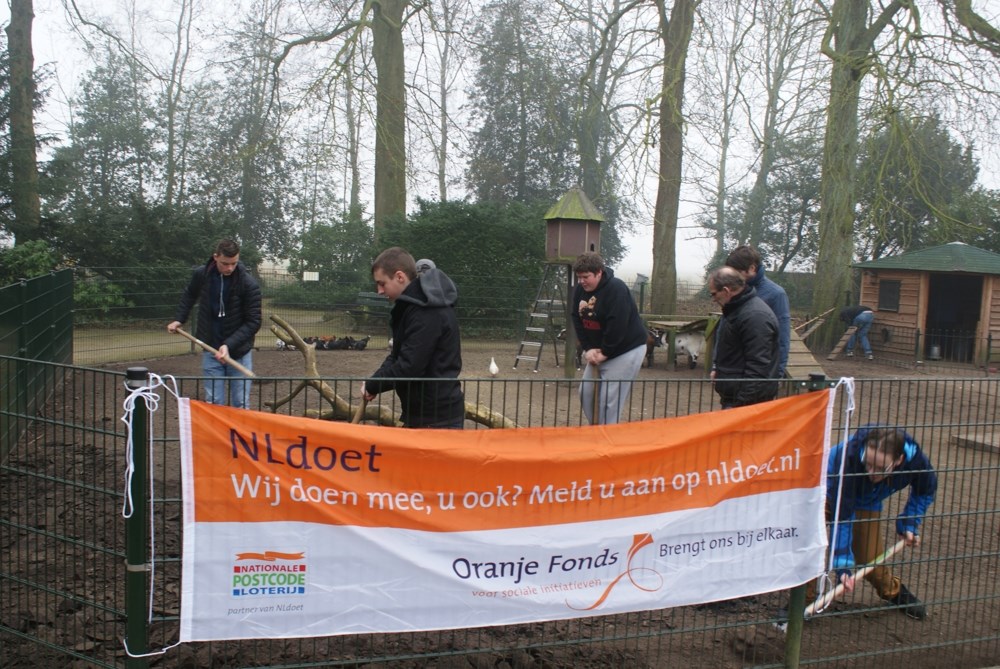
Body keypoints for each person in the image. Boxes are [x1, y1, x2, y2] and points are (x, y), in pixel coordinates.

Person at [823, 425, 937, 620]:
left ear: (899, 460)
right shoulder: (849, 460)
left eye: (879, 468)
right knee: (810, 544)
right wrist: (843, 566)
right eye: (867, 464)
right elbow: (843, 517)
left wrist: (909, 522)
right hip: (828, 487)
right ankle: (803, 602)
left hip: (867, 499)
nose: (871, 472)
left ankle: (894, 592)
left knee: (869, 559)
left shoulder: (916, 462)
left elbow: (925, 490)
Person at [362, 247, 465, 428]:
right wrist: (373, 382)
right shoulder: (411, 308)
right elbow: (397, 355)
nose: (379, 290)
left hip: (436, 419)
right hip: (421, 413)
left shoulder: (426, 312)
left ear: (400, 277)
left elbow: (410, 366)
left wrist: (374, 385)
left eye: (382, 283)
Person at [167, 239, 262, 409]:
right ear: (215, 257)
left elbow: (253, 322)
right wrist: (179, 319)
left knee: (240, 403)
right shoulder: (202, 275)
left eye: (234, 263)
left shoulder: (248, 284)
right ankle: (216, 436)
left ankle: (238, 435)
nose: (229, 268)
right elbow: (190, 294)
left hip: (239, 352)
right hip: (211, 347)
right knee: (213, 403)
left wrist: (228, 345)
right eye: (225, 263)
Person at [570, 252, 648, 425]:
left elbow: (617, 324)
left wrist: (606, 351)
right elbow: (577, 318)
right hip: (598, 350)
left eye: (586, 277)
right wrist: (588, 348)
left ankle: (607, 438)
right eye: (579, 277)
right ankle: (597, 429)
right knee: (586, 392)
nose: (582, 281)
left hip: (626, 349)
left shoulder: (616, 289)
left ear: (599, 272)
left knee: (609, 400)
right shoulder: (580, 291)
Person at [708, 266, 780, 408]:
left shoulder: (754, 316)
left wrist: (742, 404)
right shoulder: (736, 310)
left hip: (747, 402)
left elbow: (758, 367)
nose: (713, 299)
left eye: (714, 294)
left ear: (727, 291)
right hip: (734, 396)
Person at [725, 246, 791, 378]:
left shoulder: (776, 294)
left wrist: (777, 373)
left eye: (737, 272)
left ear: (752, 268)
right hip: (734, 369)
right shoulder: (734, 291)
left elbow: (782, 338)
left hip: (761, 369)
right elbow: (725, 328)